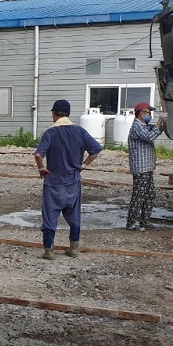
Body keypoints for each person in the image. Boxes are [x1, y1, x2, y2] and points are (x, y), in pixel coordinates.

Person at [33, 99, 102, 260]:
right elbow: (96, 149)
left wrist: (41, 167)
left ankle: (49, 251)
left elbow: (38, 154)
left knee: (50, 217)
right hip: (73, 182)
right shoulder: (80, 131)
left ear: (54, 114)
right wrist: (84, 164)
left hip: (53, 183)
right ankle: (74, 249)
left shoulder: (50, 133)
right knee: (74, 217)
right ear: (69, 114)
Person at [126, 101, 166, 232]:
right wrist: (160, 120)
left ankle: (144, 221)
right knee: (139, 195)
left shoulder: (145, 125)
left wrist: (164, 122)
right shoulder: (137, 126)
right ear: (141, 113)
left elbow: (157, 130)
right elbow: (149, 137)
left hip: (148, 167)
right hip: (141, 168)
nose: (150, 115)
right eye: (148, 112)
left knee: (150, 194)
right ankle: (131, 223)